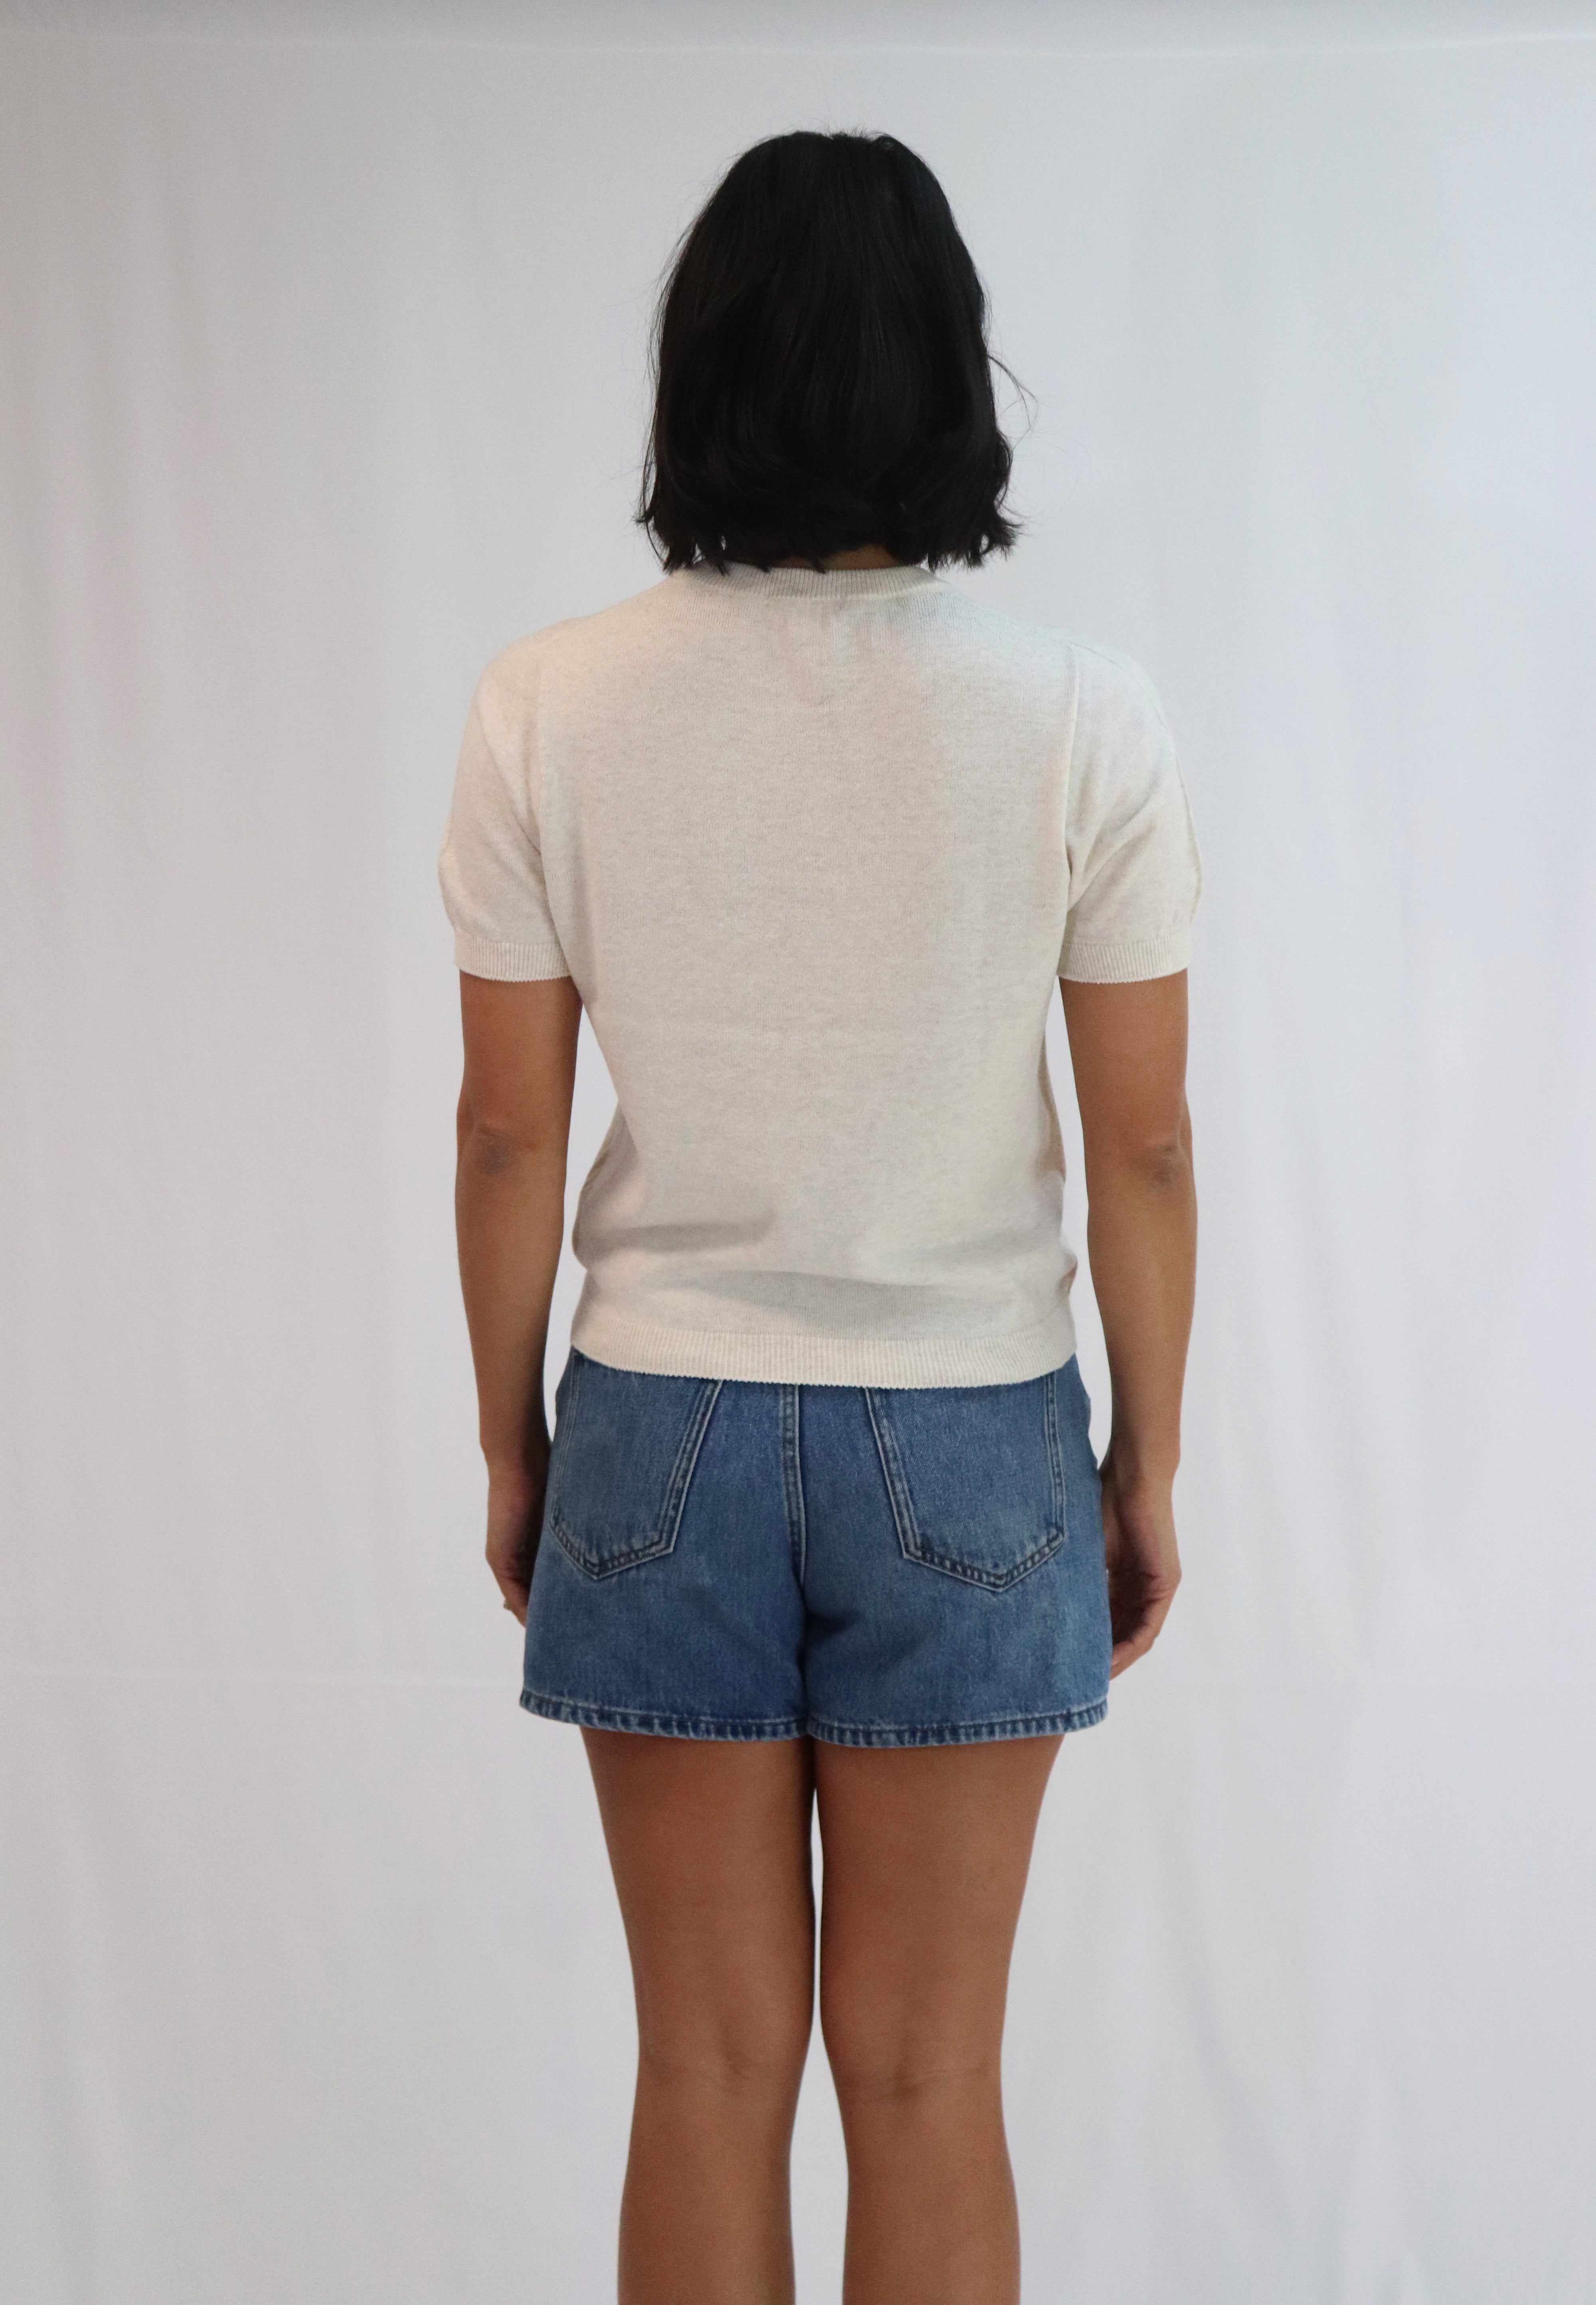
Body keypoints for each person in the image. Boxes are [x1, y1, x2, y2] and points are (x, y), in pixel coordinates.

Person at [439, 128, 1200, 2305]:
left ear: (701, 375)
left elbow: (506, 1134)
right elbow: (1145, 1146)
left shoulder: (548, 703)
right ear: (953, 373)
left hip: (656, 1422)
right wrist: (1146, 1461)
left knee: (701, 2070)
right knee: (930, 2078)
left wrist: (515, 1444)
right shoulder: (1082, 718)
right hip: (974, 1430)